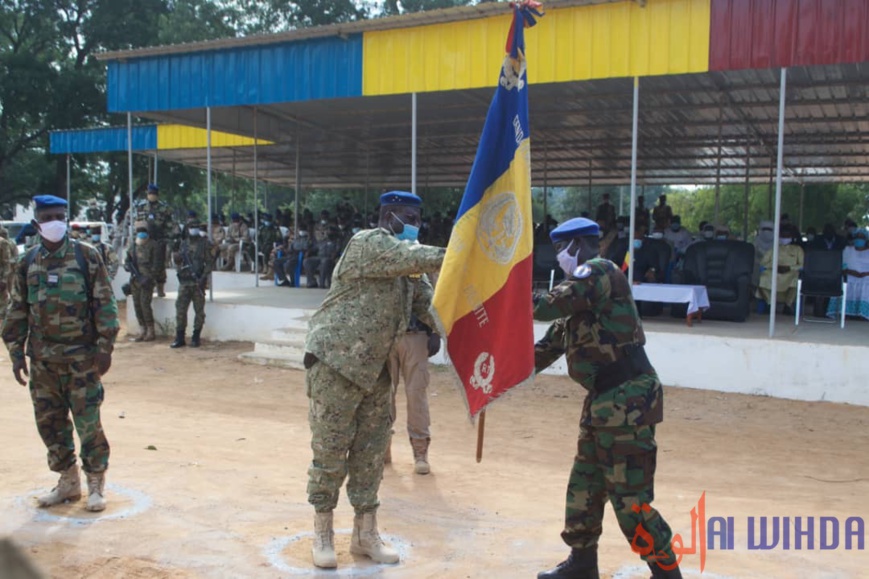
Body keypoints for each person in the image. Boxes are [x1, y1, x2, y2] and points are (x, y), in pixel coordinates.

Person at [533, 217, 681, 579]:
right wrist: (493, 374)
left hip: (628, 400)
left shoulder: (600, 271)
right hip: (602, 404)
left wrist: (509, 290)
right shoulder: (578, 309)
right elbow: (539, 353)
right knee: (584, 485)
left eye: (560, 249)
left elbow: (545, 306)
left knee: (630, 501)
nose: (559, 259)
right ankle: (582, 564)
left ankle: (666, 572)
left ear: (580, 244)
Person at [303, 191, 445, 569]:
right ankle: (323, 533)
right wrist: (467, 254)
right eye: (410, 216)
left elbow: (431, 308)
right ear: (391, 216)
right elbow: (415, 257)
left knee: (369, 454)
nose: (415, 224)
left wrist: (470, 327)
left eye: (418, 216)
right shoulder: (367, 243)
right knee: (330, 452)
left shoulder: (407, 270)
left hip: (375, 371)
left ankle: (365, 535)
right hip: (337, 364)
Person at [2, 194, 119, 512]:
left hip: (81, 359)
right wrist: (15, 353)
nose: (55, 222)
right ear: (38, 223)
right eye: (48, 216)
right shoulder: (27, 262)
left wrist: (105, 348)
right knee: (50, 423)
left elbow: (104, 303)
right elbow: (16, 310)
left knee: (88, 422)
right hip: (42, 362)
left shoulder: (86, 256)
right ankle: (67, 481)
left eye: (59, 216)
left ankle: (95, 481)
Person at [385, 314, 441, 475]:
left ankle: (420, 452)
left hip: (416, 335)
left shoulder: (422, 286)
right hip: (386, 336)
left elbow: (435, 300)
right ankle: (382, 447)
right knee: (383, 395)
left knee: (416, 396)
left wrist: (436, 332)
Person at [170, 221, 214, 348]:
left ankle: (196, 337)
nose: (193, 230)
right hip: (184, 282)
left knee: (199, 311)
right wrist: (177, 262)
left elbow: (209, 263)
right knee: (180, 310)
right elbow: (177, 262)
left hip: (197, 282)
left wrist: (203, 277)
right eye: (191, 228)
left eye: (195, 228)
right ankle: (180, 337)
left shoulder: (204, 244)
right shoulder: (183, 244)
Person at [133, 184, 175, 297]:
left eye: (154, 194)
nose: (152, 196)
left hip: (159, 240)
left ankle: (160, 288)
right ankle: (145, 287)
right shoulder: (140, 207)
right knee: (143, 263)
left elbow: (169, 225)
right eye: (150, 194)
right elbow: (135, 223)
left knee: (159, 265)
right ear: (147, 194)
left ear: (157, 195)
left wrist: (167, 240)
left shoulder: (164, 208)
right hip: (143, 240)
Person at [757, 224, 805, 314]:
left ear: (791, 237)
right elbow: (763, 263)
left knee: (796, 279)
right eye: (783, 236)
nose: (785, 238)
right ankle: (770, 304)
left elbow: (803, 265)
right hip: (774, 271)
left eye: (787, 236)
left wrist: (789, 268)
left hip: (790, 272)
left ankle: (788, 305)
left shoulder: (798, 249)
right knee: (763, 278)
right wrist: (775, 266)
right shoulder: (774, 249)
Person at [125, 221, 158, 342]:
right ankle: (142, 329)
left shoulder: (153, 245)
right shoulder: (133, 245)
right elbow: (127, 261)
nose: (141, 234)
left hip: (147, 280)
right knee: (137, 305)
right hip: (135, 280)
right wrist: (127, 266)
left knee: (145, 305)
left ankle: (150, 330)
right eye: (139, 232)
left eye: (143, 232)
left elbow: (157, 265)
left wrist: (149, 278)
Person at [828, 228, 869, 320]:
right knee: (844, 281)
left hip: (866, 276)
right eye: (857, 237)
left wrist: (864, 274)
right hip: (850, 275)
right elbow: (842, 267)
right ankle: (845, 312)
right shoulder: (847, 250)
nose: (859, 239)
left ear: (866, 240)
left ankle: (863, 313)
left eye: (862, 237)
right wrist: (853, 273)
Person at [0, 224, 18, 316]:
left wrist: (4, 279)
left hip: (9, 272)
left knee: (9, 295)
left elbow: (8, 261)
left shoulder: (6, 243)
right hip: (8, 271)